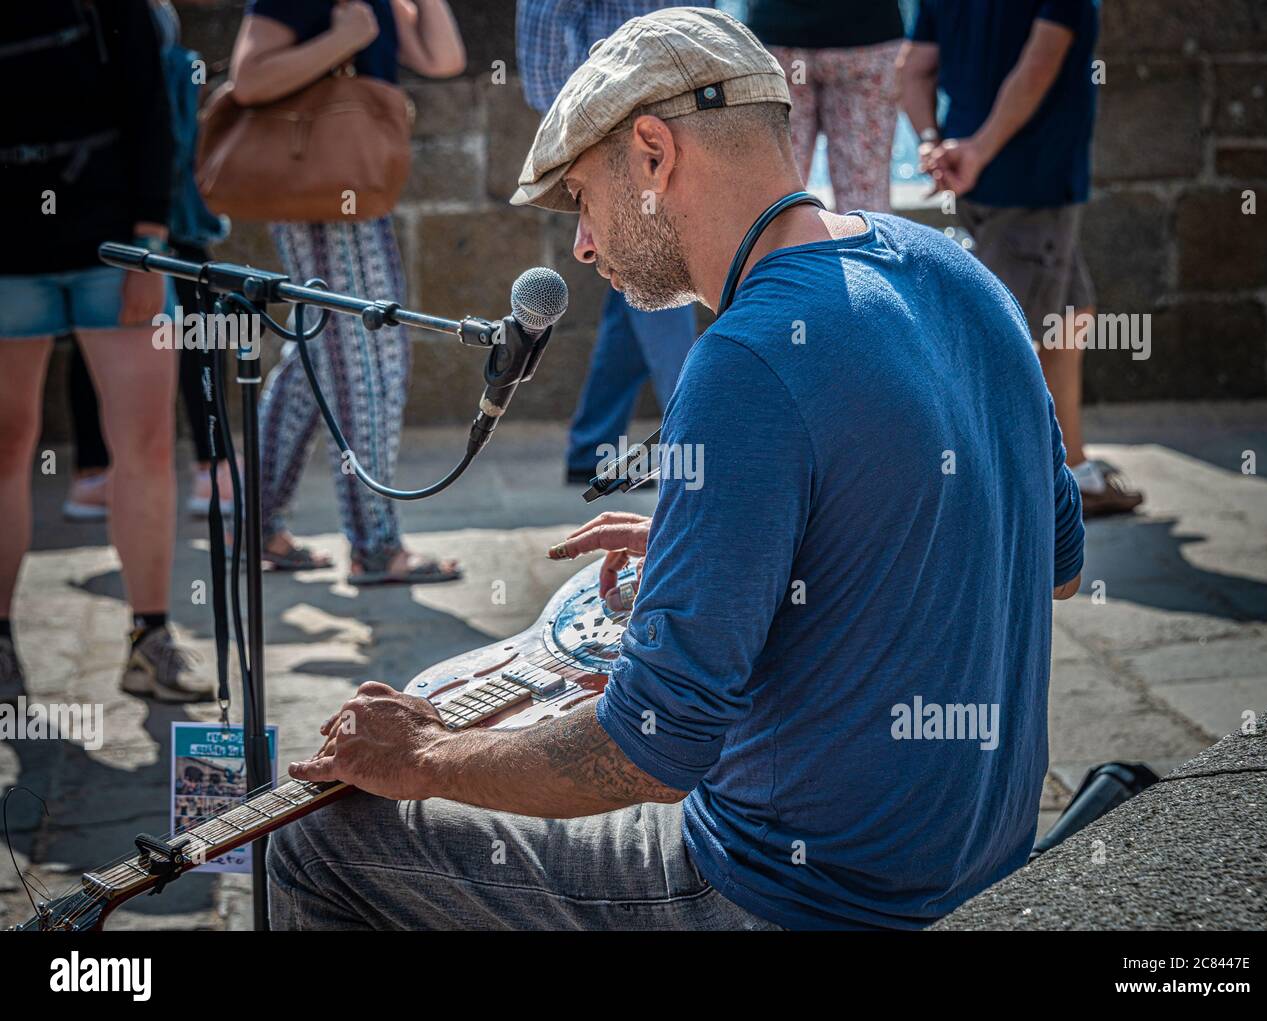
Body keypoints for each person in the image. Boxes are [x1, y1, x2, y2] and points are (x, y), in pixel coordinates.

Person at [266, 8, 1084, 931]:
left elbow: (649, 750)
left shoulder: (746, 356)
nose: (580, 243)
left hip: (791, 893)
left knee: (318, 845)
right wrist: (756, 537)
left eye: (581, 194)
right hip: (983, 862)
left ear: (652, 154)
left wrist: (428, 753)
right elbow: (1052, 566)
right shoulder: (960, 274)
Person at [0, 0, 212, 704]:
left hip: (116, 245)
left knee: (148, 445)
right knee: (5, 448)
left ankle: (150, 636)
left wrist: (148, 246)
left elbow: (154, 111)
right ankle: (0, 642)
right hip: (10, 257)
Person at [228, 0, 466, 583]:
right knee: (369, 355)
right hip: (324, 188)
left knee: (316, 354)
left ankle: (256, 525)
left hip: (353, 184)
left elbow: (443, 58)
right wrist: (345, 38)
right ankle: (375, 546)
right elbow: (249, 79)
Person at [898, 0, 1143, 518]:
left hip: (976, 173)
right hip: (1032, 180)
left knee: (1071, 318)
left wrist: (931, 143)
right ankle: (976, 500)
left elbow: (913, 68)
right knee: (998, 344)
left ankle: (1074, 471)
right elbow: (1039, 64)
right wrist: (981, 151)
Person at [63, 0, 237, 525]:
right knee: (201, 323)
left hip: (101, 210)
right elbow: (154, 120)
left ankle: (92, 475)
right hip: (153, 211)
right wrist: (153, 228)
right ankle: (211, 469)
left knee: (93, 335)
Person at [516, 0, 701, 485]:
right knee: (659, 270)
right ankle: (694, 446)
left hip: (672, 125)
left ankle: (591, 447)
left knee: (637, 297)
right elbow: (544, 20)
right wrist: (585, 131)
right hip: (624, 134)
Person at [746, 0, 903, 213]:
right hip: (866, 38)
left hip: (780, 36)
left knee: (773, 193)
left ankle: (771, 244)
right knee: (865, 195)